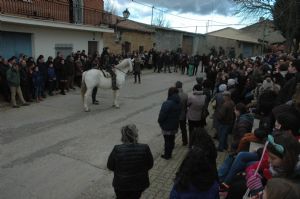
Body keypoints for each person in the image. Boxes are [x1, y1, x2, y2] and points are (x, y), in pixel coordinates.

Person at [107, 124, 153, 199]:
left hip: (121, 185)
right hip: (139, 184)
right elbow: (150, 165)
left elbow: (110, 166)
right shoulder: (145, 148)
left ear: (123, 135)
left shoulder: (117, 149)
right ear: (136, 134)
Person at [158, 87, 181, 159]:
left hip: (167, 126)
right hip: (174, 125)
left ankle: (167, 155)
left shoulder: (167, 103)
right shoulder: (178, 102)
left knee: (167, 141)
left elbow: (162, 116)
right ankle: (169, 152)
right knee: (172, 139)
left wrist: (160, 122)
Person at [175, 81, 188, 146]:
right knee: (183, 129)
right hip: (183, 115)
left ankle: (172, 142)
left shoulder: (174, 95)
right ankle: (185, 141)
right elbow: (187, 105)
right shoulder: (185, 95)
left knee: (173, 129)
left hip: (175, 116)